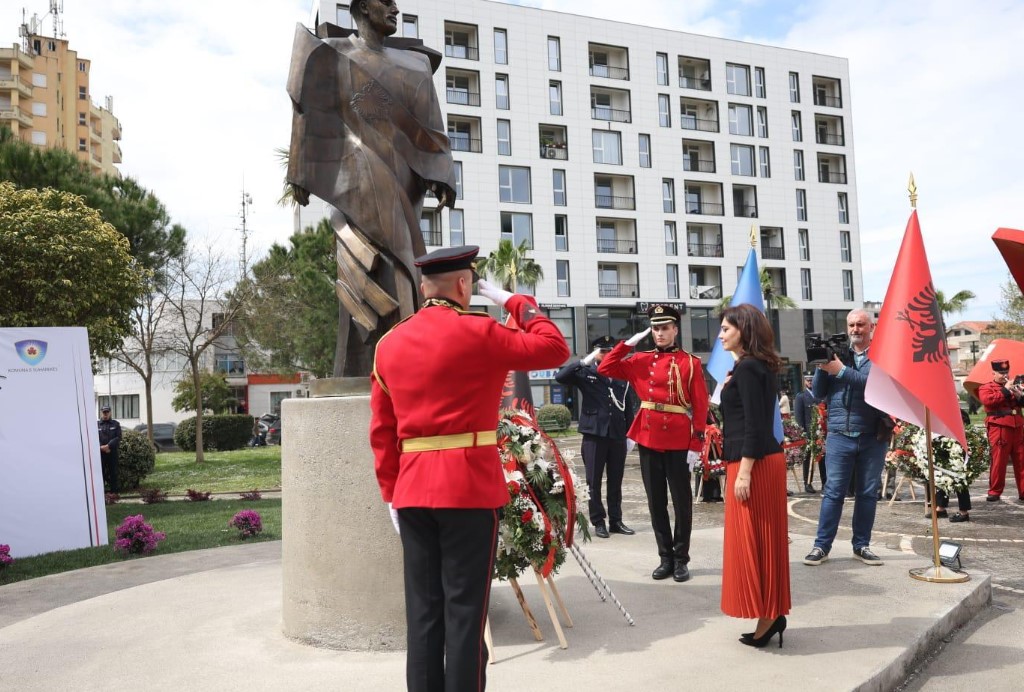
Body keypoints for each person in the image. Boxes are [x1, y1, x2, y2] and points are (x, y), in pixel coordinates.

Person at [370, 245, 569, 692]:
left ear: (424, 287)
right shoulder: (479, 331)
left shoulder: (389, 344)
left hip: (412, 492)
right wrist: (517, 302)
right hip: (468, 491)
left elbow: (382, 433)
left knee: (423, 613)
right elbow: (555, 347)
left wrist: (390, 493)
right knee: (464, 613)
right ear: (464, 285)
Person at [287, 0, 457, 377]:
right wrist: (298, 169)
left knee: (407, 261)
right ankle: (376, 364)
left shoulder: (416, 66)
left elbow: (433, 128)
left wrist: (444, 173)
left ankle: (402, 358)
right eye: (388, 2)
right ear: (363, 7)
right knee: (373, 263)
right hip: (357, 175)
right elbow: (305, 106)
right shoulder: (333, 54)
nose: (396, 9)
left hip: (405, 180)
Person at [598, 304, 709, 582]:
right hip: (648, 436)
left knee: (681, 503)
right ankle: (665, 557)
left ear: (675, 329)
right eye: (655, 328)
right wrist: (627, 344)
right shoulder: (640, 360)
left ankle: (682, 559)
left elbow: (700, 404)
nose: (659, 333)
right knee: (655, 502)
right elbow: (605, 366)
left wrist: (696, 442)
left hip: (678, 439)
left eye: (664, 328)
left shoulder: (690, 362)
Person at [716, 304, 790, 648]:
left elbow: (754, 425)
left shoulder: (748, 369)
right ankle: (770, 614)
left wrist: (743, 474)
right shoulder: (755, 366)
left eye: (726, 329)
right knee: (763, 541)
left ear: (743, 331)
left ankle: (770, 615)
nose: (720, 335)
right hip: (761, 461)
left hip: (753, 465)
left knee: (755, 540)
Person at [804, 309, 889, 567]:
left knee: (867, 493)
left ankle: (861, 546)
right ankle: (821, 546)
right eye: (851, 324)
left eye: (860, 324)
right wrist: (822, 364)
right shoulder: (839, 356)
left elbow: (877, 386)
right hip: (840, 434)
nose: (855, 329)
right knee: (833, 492)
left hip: (872, 435)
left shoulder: (882, 356)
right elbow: (818, 393)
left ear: (871, 327)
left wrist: (840, 371)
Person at [555, 335, 638, 539]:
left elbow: (627, 407)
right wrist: (584, 361)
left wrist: (630, 435)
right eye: (602, 351)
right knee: (594, 481)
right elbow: (561, 377)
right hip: (594, 434)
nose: (607, 354)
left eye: (610, 351)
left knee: (616, 480)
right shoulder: (585, 373)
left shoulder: (620, 375)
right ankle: (598, 521)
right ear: (595, 352)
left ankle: (616, 521)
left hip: (617, 434)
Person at [977, 359, 1024, 502]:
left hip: (1017, 427)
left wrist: (1020, 395)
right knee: (999, 460)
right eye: (1001, 372)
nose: (1004, 375)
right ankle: (995, 491)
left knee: (1022, 460)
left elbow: (1021, 405)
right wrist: (1005, 389)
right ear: (993, 373)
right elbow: (988, 401)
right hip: (1000, 427)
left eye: (1006, 372)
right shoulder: (986, 387)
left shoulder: (1013, 386)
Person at [794, 373, 823, 493]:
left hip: (820, 432)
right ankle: (808, 483)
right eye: (808, 380)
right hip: (809, 433)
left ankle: (825, 482)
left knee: (822, 458)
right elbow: (799, 417)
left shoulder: (820, 395)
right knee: (808, 459)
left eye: (812, 380)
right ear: (805, 381)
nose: (810, 382)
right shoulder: (801, 397)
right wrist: (803, 434)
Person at [97, 405, 122, 493]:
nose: (105, 414)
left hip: (112, 452)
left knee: (114, 473)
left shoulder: (116, 424)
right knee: (101, 474)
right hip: (100, 454)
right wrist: (101, 447)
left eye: (107, 412)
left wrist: (108, 446)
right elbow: (94, 438)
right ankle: (101, 494)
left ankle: (114, 493)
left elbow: (118, 437)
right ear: (101, 413)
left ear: (110, 413)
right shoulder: (96, 424)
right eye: (104, 412)